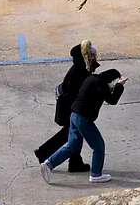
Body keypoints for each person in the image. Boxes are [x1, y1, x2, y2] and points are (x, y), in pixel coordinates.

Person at [40, 41, 127, 184]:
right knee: (98, 146)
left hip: (73, 115)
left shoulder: (91, 78)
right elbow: (112, 100)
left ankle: (48, 164)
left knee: (72, 146)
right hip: (82, 118)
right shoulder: (99, 83)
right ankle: (96, 174)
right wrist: (119, 86)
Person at [33, 42, 92, 173]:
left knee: (72, 134)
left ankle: (73, 161)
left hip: (69, 107)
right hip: (69, 109)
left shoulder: (79, 68)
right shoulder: (80, 71)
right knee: (72, 134)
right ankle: (45, 153)